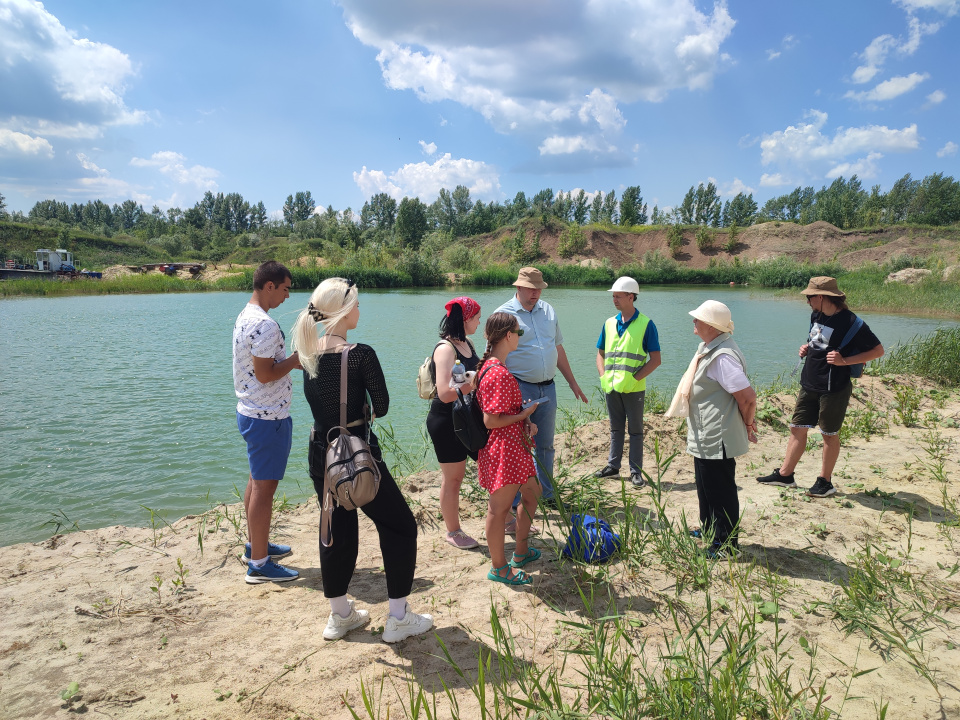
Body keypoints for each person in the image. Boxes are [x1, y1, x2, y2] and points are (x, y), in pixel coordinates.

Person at [292, 277, 433, 643]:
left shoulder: (307, 352)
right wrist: (363, 404)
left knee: (335, 527)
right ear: (342, 310)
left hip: (321, 452)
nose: (359, 309)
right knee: (400, 526)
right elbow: (381, 406)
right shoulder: (360, 354)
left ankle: (340, 616)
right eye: (356, 303)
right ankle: (398, 618)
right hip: (356, 453)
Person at [757, 277, 884, 498]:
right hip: (809, 382)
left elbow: (878, 351)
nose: (807, 301)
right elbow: (819, 342)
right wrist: (807, 347)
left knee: (828, 434)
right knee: (797, 428)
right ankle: (785, 475)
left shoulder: (851, 322)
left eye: (810, 297)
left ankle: (825, 482)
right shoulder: (816, 315)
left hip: (834, 387)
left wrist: (845, 361)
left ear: (822, 297)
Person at [666, 300, 757, 558]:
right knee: (706, 485)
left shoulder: (722, 357)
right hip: (706, 431)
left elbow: (748, 397)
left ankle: (726, 545)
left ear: (711, 326)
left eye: (698, 319)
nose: (693, 322)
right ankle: (709, 529)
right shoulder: (711, 348)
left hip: (717, 434)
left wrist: (748, 423)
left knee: (720, 490)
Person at [495, 267, 588, 508]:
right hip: (519, 388)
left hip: (548, 389)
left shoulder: (548, 311)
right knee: (518, 446)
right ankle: (514, 503)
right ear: (518, 287)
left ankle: (547, 496)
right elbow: (495, 357)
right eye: (530, 288)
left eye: (539, 288)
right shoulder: (503, 315)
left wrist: (572, 382)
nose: (535, 293)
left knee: (546, 446)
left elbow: (557, 347)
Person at [233, 261, 302, 584]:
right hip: (267, 416)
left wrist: (287, 362)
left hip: (252, 411)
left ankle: (255, 546)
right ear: (270, 286)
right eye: (285, 289)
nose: (287, 296)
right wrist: (297, 359)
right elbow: (265, 373)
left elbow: (262, 367)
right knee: (264, 488)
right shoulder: (265, 325)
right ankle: (259, 564)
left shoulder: (246, 315)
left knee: (256, 481)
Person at [476, 312, 542, 585]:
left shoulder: (494, 366)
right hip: (504, 450)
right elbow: (490, 420)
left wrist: (523, 419)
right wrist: (524, 414)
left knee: (533, 494)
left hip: (514, 446)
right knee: (498, 510)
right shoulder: (498, 373)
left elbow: (501, 413)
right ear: (507, 335)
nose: (519, 337)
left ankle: (521, 552)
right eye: (519, 332)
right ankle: (499, 568)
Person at [425, 297, 483, 550]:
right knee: (454, 478)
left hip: (468, 416)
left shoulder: (467, 343)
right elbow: (445, 393)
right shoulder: (446, 349)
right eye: (477, 318)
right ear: (466, 318)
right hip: (446, 420)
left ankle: (505, 518)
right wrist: (477, 381)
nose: (479, 322)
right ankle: (453, 531)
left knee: (489, 463)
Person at [594, 276, 662, 488]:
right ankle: (613, 467)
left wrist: (634, 379)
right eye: (613, 296)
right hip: (611, 387)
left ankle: (635, 472)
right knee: (615, 429)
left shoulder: (646, 324)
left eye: (618, 296)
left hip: (634, 389)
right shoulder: (609, 323)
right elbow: (600, 354)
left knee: (635, 431)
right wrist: (603, 376)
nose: (614, 300)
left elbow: (656, 360)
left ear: (631, 297)